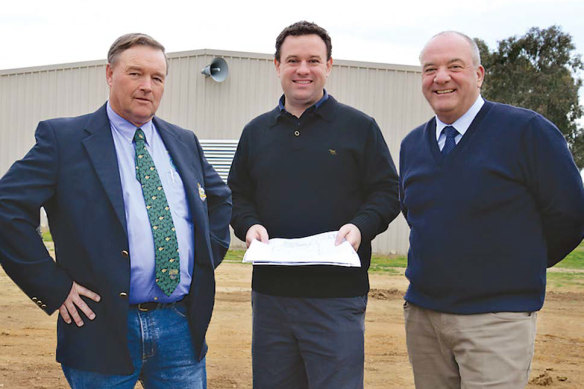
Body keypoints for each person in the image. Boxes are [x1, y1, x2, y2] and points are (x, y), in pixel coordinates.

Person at [0, 33, 231, 388]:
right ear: (110, 74)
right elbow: (7, 208)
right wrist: (53, 286)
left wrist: (202, 259)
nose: (147, 86)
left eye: (157, 78)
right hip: (101, 328)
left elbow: (219, 199)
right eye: (135, 74)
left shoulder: (183, 141)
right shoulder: (65, 140)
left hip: (179, 329)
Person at [399, 30, 584, 389]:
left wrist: (518, 265)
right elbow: (417, 215)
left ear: (479, 74)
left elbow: (571, 215)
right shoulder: (412, 145)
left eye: (455, 66)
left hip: (497, 321)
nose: (441, 77)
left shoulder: (528, 132)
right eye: (429, 69)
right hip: (424, 320)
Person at [228, 21, 400, 389]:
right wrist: (248, 224)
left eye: (312, 60)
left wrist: (360, 227)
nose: (302, 69)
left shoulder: (359, 127)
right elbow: (238, 194)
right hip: (271, 298)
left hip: (336, 298)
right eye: (292, 60)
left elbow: (387, 192)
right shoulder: (256, 133)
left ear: (329, 65)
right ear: (277, 66)